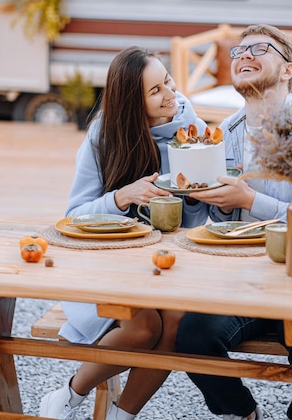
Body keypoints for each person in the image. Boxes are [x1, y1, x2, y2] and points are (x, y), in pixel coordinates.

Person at [175, 24, 292, 420]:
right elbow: (218, 222)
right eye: (237, 52)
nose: (243, 56)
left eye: (259, 48)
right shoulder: (221, 135)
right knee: (190, 336)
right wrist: (219, 206)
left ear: (288, 69)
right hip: (247, 281)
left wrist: (250, 200)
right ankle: (242, 412)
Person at [40, 46, 225, 420]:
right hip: (105, 264)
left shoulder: (192, 129)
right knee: (143, 329)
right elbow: (74, 216)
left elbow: (195, 219)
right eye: (155, 90)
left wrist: (189, 196)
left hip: (166, 265)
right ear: (131, 102)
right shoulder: (103, 135)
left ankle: (122, 416)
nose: (170, 94)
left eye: (168, 80)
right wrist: (121, 198)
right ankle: (71, 394)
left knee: (174, 322)